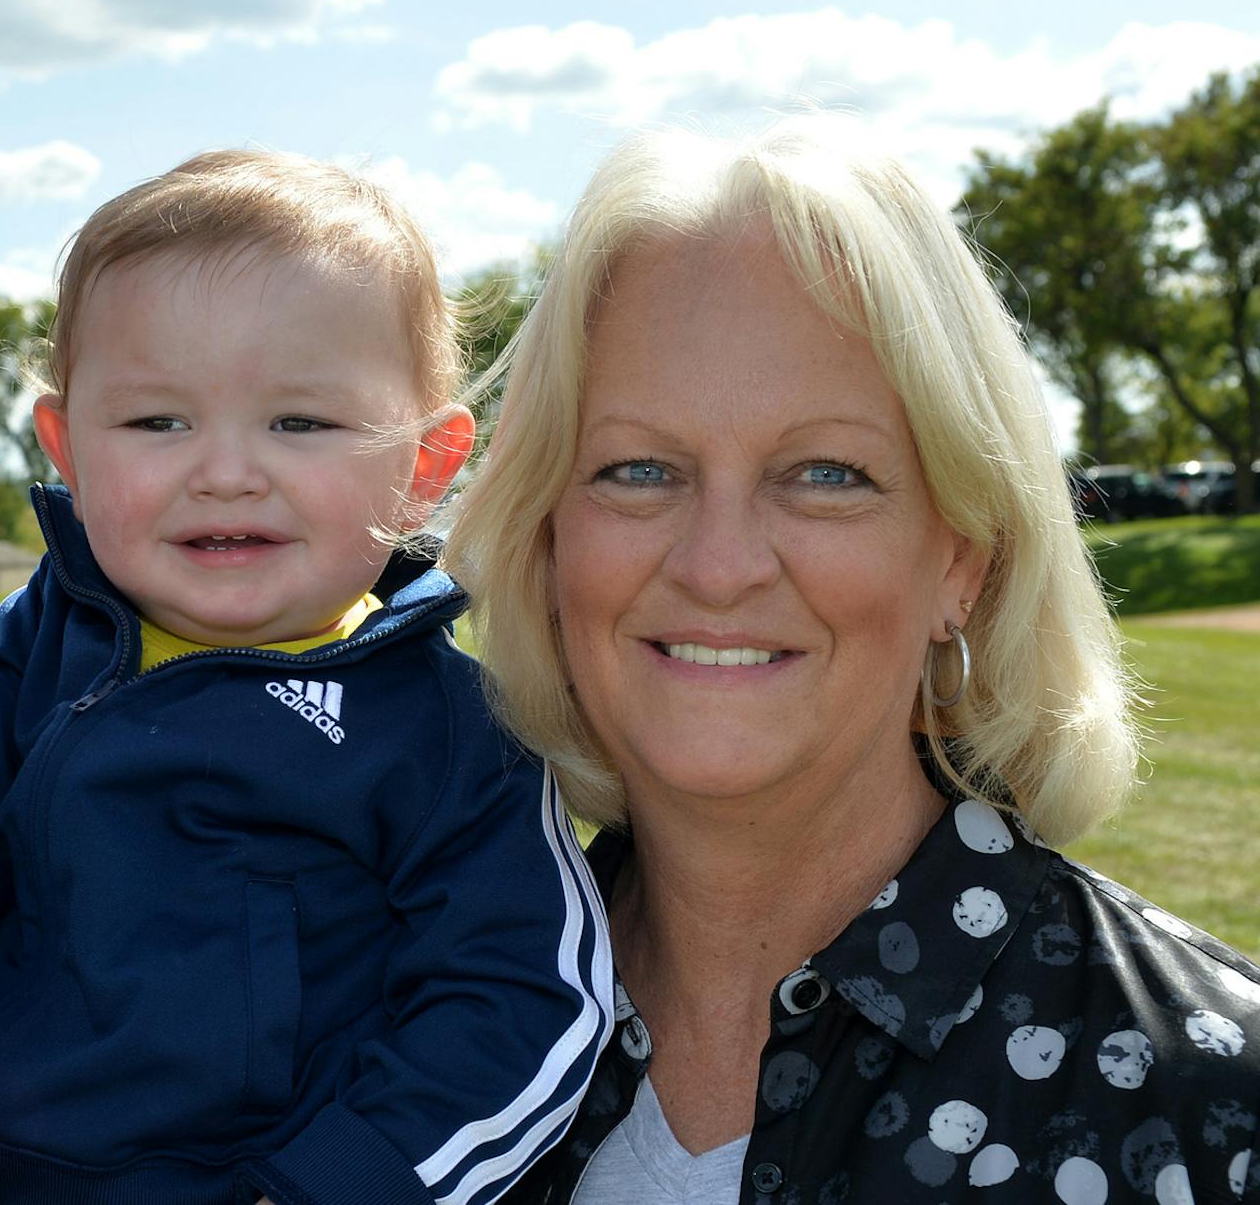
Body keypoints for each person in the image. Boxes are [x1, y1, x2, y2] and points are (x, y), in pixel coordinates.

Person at [0, 151, 614, 1205]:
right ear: (70, 450)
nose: (224, 468)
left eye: (300, 421)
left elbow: (528, 999)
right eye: (158, 421)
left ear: (427, 464)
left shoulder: (453, 732)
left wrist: (346, 1183)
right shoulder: (16, 662)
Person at [444, 118, 1260, 1204]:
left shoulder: (1215, 1101)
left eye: (826, 473)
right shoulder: (383, 1039)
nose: (720, 565)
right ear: (548, 540)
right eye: (638, 468)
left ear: (962, 557)